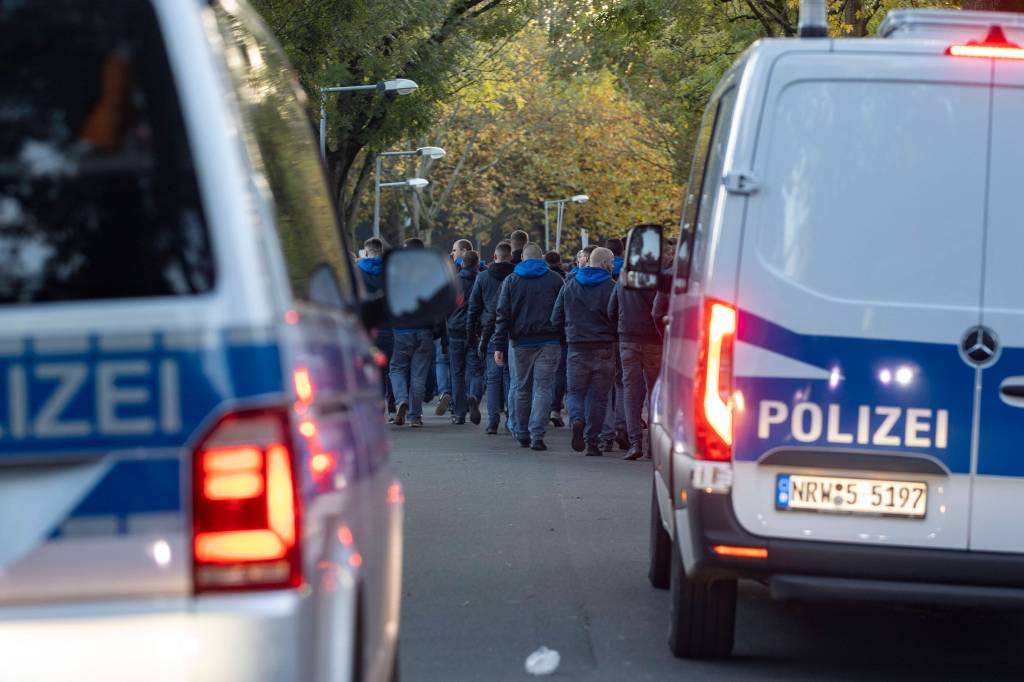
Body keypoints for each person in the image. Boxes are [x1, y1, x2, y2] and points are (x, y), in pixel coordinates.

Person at [493, 243, 564, 451]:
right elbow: (562, 311)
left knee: (521, 388)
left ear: (523, 258)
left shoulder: (512, 280)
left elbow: (502, 315)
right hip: (549, 341)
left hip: (520, 342)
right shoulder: (555, 279)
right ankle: (537, 435)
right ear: (541, 258)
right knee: (543, 388)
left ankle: (522, 431)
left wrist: (499, 345)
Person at [550, 247, 617, 456]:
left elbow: (555, 318)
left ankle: (577, 418)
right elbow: (618, 317)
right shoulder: (612, 287)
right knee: (599, 397)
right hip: (604, 347)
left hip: (576, 347)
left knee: (575, 392)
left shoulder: (569, 285)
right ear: (605, 263)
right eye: (612, 262)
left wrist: (567, 334)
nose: (613, 266)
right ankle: (593, 442)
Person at [609, 239, 663, 460]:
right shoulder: (658, 280)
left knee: (631, 393)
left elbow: (611, 310)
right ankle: (652, 444)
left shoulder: (622, 281)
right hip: (654, 342)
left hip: (628, 341)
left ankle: (634, 443)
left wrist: (620, 329)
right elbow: (660, 310)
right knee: (654, 393)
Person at [467, 241, 515, 434]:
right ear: (510, 257)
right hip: (512, 331)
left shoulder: (483, 277)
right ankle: (512, 418)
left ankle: (493, 421)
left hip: (490, 330)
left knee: (493, 378)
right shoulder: (516, 276)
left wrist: (472, 334)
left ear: (495, 257)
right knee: (511, 377)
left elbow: (473, 307)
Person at [388, 244, 436, 428]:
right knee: (418, 376)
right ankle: (415, 416)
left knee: (397, 369)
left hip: (401, 330)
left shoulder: (395, 277)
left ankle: (400, 400)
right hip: (424, 330)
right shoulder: (428, 277)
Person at [358, 238, 395, 419]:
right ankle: (388, 401)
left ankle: (371, 404)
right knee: (387, 368)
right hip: (386, 323)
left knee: (365, 367)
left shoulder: (356, 271)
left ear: (366, 251)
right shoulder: (389, 271)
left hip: (364, 326)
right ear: (381, 251)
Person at [448, 250, 483, 425]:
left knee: (457, 372)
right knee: (476, 369)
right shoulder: (482, 279)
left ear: (462, 263)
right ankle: (474, 396)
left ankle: (459, 413)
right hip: (475, 330)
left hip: (455, 329)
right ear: (477, 263)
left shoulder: (453, 281)